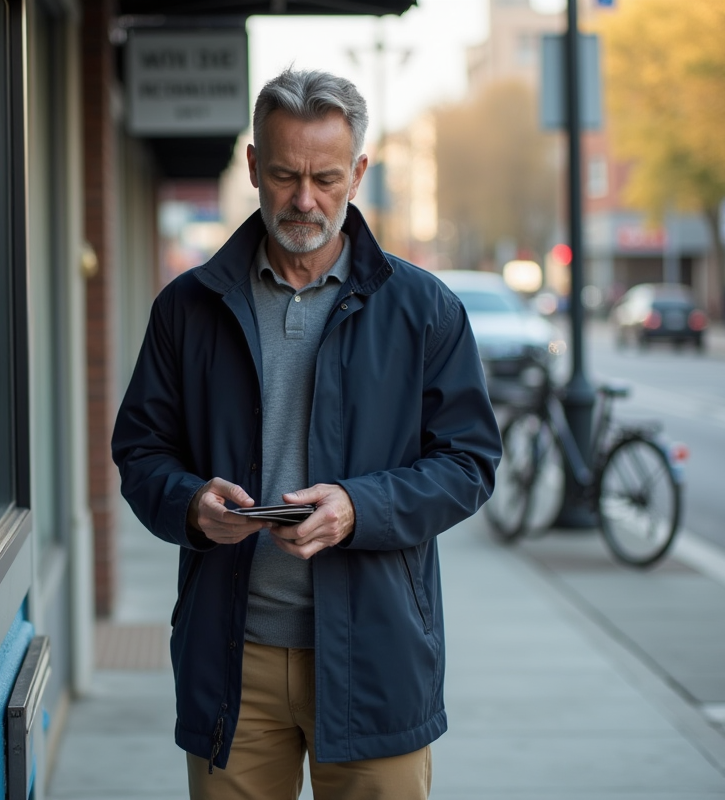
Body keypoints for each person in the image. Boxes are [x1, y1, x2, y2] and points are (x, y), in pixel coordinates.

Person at [112, 69, 502, 800]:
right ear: (254, 165)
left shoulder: (424, 310)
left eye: (326, 177)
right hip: (233, 662)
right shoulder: (186, 309)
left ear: (358, 170)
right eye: (286, 174)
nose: (304, 200)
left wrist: (359, 508)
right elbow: (140, 452)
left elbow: (470, 463)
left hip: (376, 657)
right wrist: (192, 504)